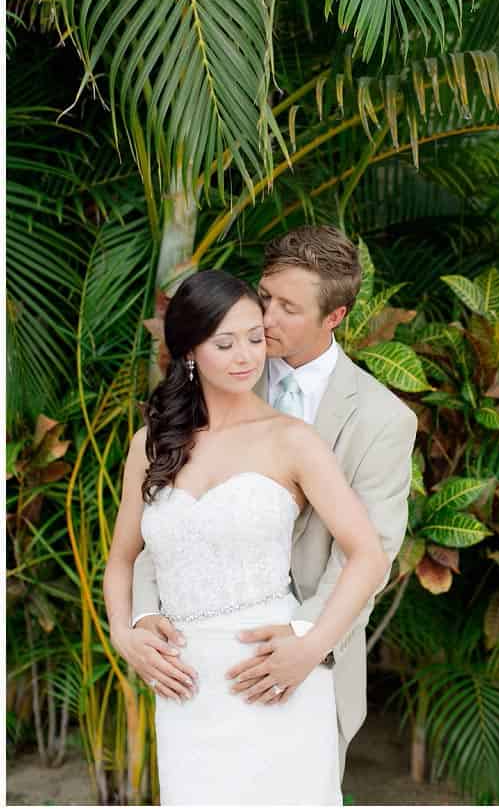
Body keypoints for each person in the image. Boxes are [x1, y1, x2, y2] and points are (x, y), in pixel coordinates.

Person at [113, 226, 417, 789]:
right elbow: (164, 528)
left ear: (334, 317)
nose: (266, 321)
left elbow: (372, 551)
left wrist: (306, 644)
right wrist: (136, 620)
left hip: (296, 666)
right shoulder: (203, 380)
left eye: (287, 309)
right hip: (189, 671)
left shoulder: (382, 420)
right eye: (265, 297)